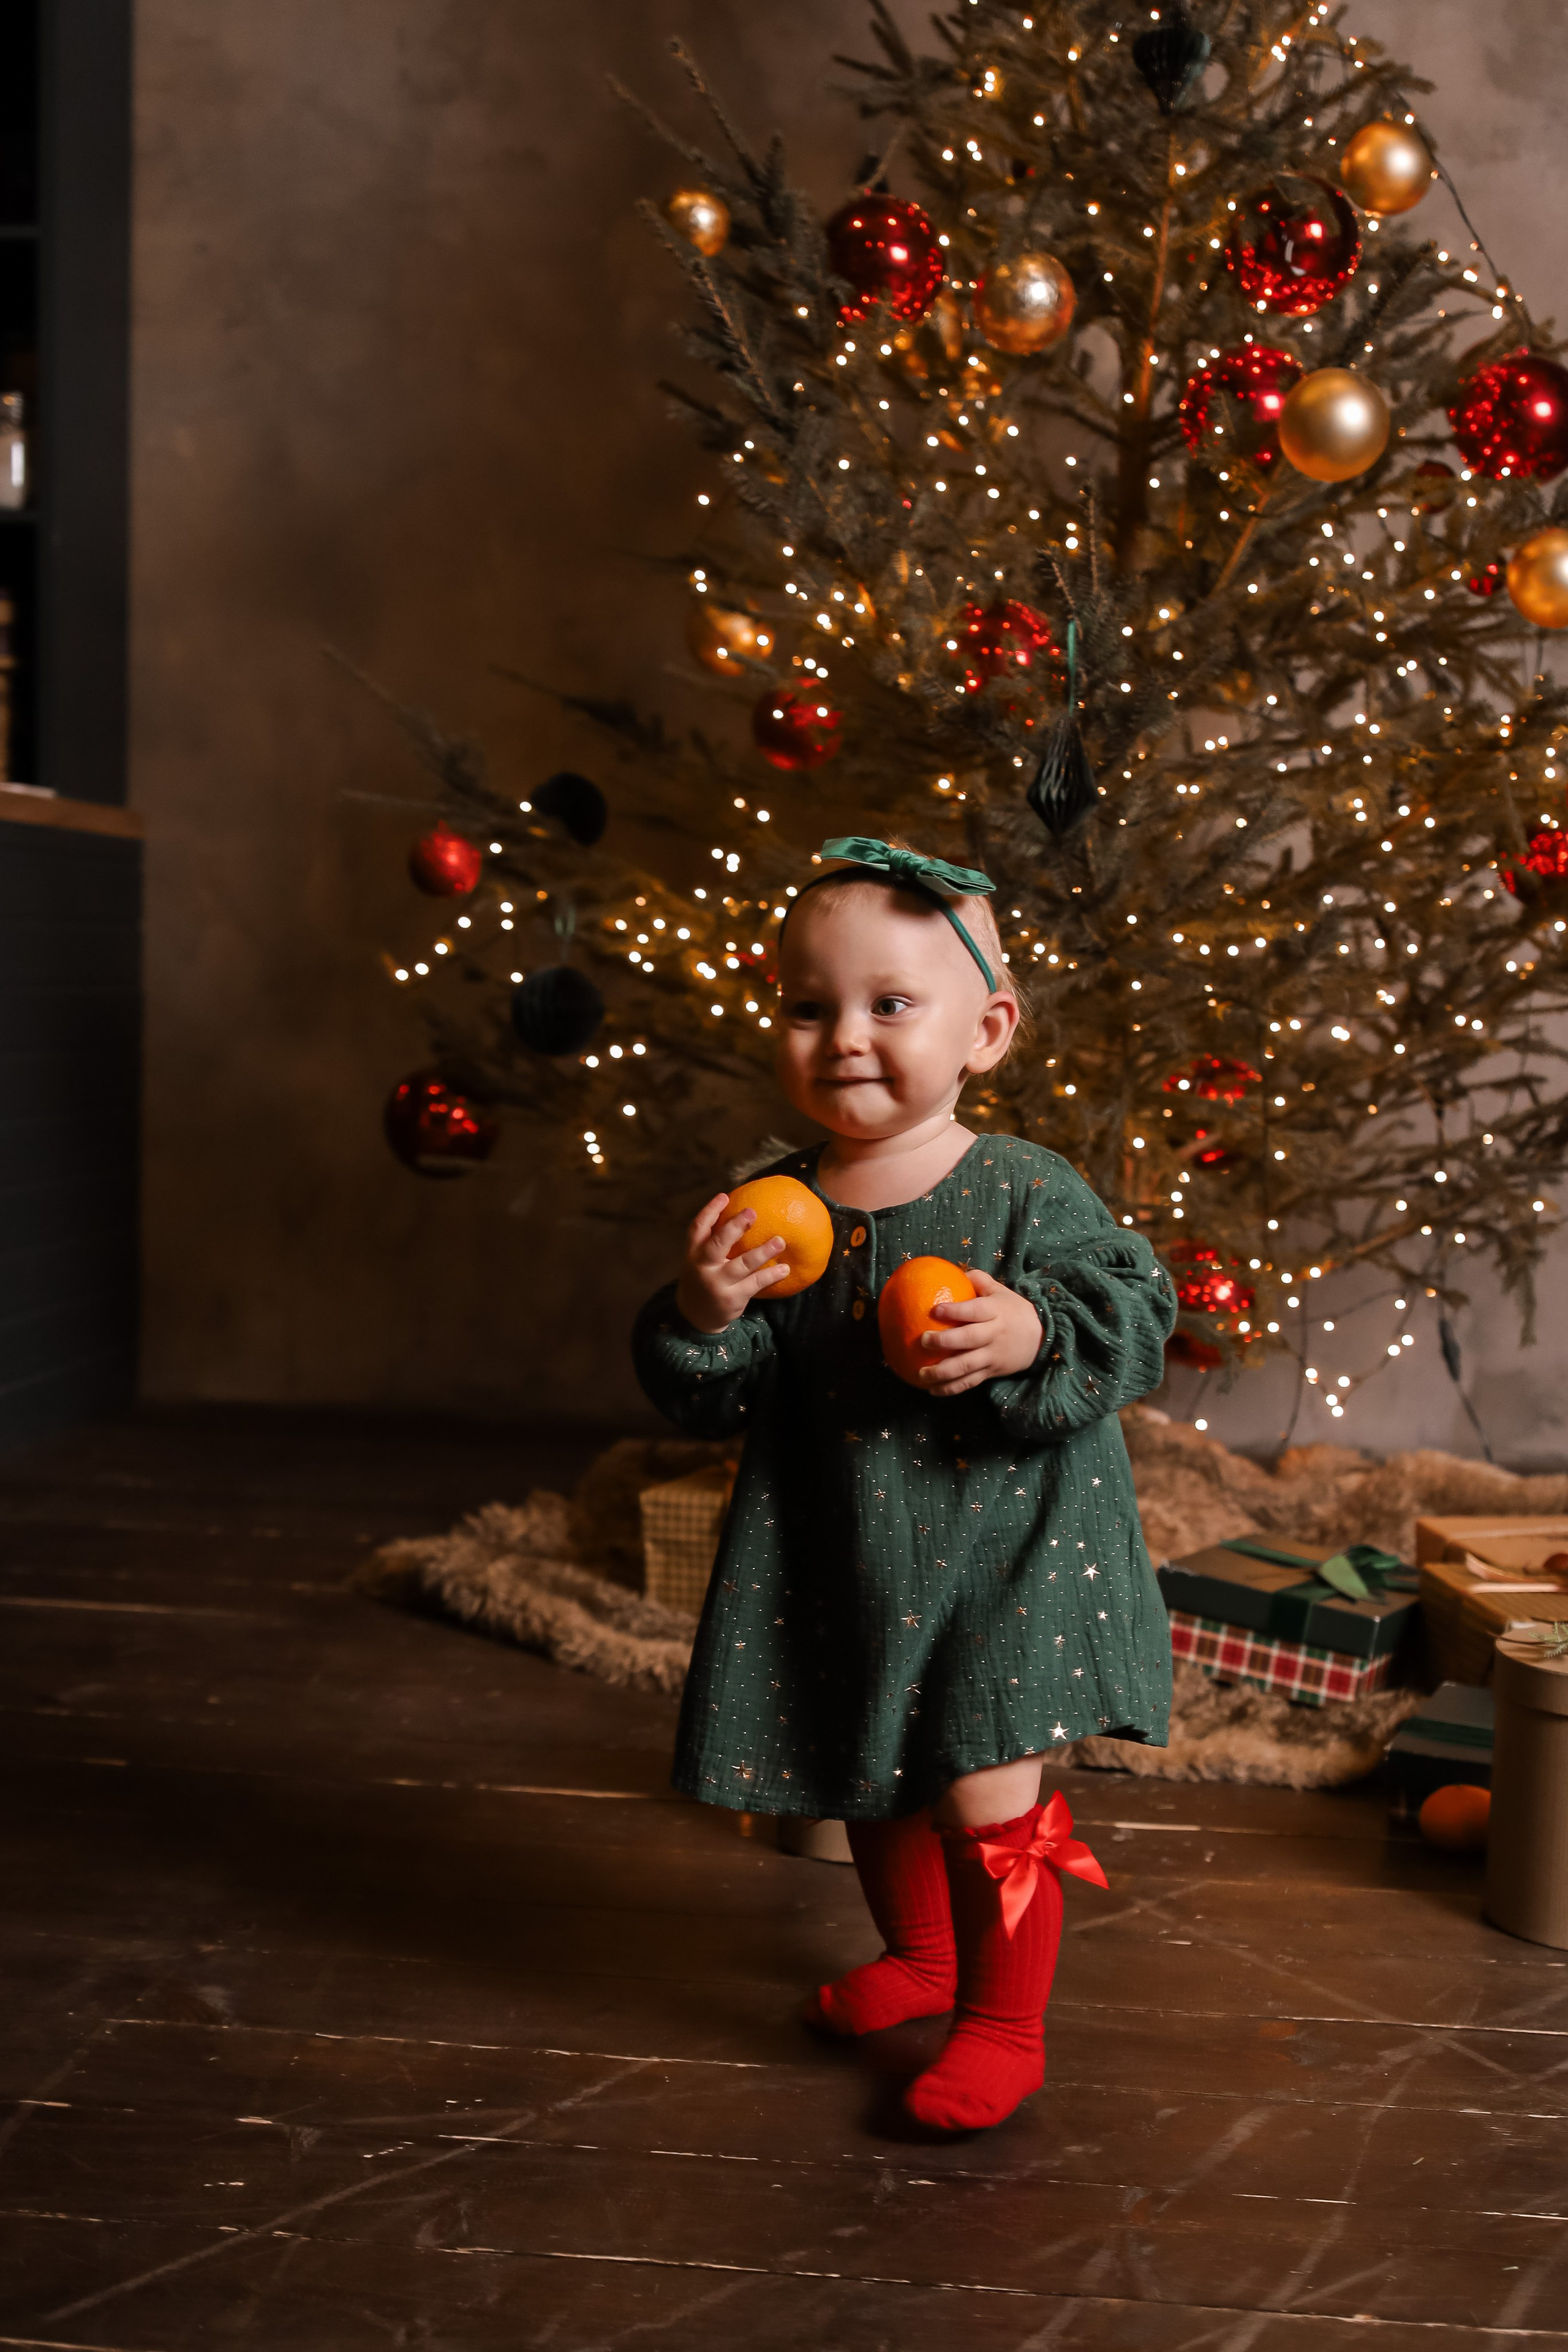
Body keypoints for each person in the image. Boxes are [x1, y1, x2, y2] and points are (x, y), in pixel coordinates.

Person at [633, 837, 1177, 2130]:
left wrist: (1033, 1330)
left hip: (1013, 1549)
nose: (843, 1038)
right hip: (844, 1548)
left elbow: (1133, 1309)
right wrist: (706, 1311)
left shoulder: (1021, 1186)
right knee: (863, 1765)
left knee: (988, 1791)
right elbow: (713, 1386)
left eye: (889, 1005)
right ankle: (924, 1960)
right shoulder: (770, 1204)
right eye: (806, 1008)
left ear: (984, 1031)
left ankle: (1002, 2020)